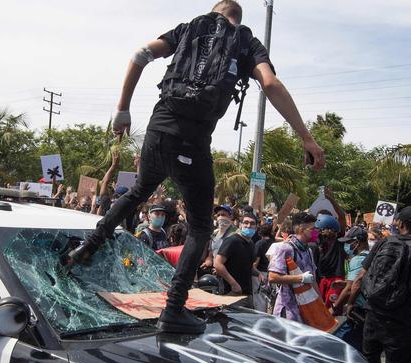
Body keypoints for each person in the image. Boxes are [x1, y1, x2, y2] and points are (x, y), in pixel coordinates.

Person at [67, 0, 326, 333]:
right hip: (192, 140)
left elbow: (139, 55)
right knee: (202, 227)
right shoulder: (245, 41)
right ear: (237, 17)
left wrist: (123, 109)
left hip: (158, 130)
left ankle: (88, 247)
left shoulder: (188, 28)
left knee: (139, 191)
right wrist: (307, 138)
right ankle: (173, 309)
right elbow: (271, 84)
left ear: (214, 10)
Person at [359, 207, 411, 363]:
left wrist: (351, 304)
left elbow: (360, 277)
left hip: (374, 315)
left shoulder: (384, 243)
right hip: (403, 323)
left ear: (400, 223)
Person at [268, 212, 320, 322]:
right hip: (288, 311)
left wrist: (320, 303)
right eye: (313, 229)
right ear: (301, 229)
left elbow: (313, 280)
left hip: (306, 309)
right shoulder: (285, 249)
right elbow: (273, 277)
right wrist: (300, 278)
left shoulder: (308, 250)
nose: (316, 232)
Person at [331, 227, 369, 351]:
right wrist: (344, 283)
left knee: (339, 344)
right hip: (370, 310)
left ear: (357, 241)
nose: (346, 245)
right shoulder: (371, 256)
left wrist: (335, 307)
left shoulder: (357, 260)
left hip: (358, 311)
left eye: (348, 242)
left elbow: (350, 288)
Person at [214, 212, 257, 304]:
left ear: (256, 228)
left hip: (247, 293)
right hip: (232, 293)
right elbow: (218, 264)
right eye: (246, 222)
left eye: (252, 223)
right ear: (240, 224)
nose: (249, 226)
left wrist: (259, 274)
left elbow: (248, 265)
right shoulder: (232, 241)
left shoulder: (251, 244)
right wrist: (234, 284)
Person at [312, 211, 347, 307]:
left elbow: (342, 217)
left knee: (331, 308)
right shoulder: (318, 243)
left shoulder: (339, 241)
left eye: (319, 229)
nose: (317, 231)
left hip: (335, 280)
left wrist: (330, 198)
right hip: (322, 280)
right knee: (321, 307)